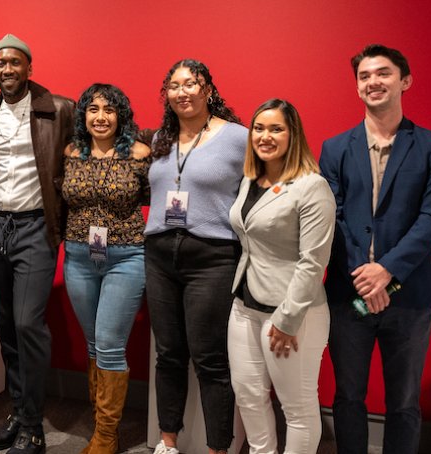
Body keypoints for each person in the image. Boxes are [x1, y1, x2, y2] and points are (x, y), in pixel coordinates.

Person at [319, 44, 431, 454]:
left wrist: (387, 271)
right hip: (348, 294)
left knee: (404, 403)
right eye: (364, 76)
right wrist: (365, 274)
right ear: (357, 86)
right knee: (348, 398)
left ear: (405, 81)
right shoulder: (335, 149)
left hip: (410, 299)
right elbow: (332, 219)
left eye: (383, 73)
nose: (373, 82)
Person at [0, 34, 75, 454]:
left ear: (29, 67)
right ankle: (18, 411)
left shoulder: (61, 109)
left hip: (36, 227)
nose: (7, 70)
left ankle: (34, 425)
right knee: (5, 327)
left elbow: (95, 146)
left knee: (27, 324)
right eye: (0, 64)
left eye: (14, 62)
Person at [145, 59, 247, 454]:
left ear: (208, 89)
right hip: (158, 254)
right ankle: (167, 441)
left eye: (192, 83)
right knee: (168, 354)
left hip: (213, 257)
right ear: (166, 93)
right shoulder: (160, 140)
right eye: (174, 85)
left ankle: (217, 448)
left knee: (210, 359)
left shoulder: (237, 137)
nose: (182, 91)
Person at [227, 99, 335, 453]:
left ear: (293, 135)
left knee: (298, 409)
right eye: (259, 128)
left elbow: (313, 262)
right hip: (244, 306)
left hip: (290, 314)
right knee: (249, 398)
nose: (265, 136)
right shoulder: (250, 179)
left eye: (276, 129)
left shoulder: (311, 187)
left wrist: (288, 319)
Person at [60, 83, 151, 454]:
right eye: (93, 109)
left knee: (111, 346)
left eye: (109, 110)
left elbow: (153, 198)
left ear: (121, 116)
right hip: (79, 257)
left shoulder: (140, 154)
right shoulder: (72, 152)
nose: (101, 117)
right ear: (84, 115)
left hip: (127, 258)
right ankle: (101, 422)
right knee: (95, 345)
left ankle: (106, 436)